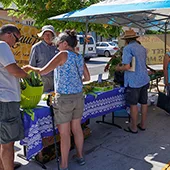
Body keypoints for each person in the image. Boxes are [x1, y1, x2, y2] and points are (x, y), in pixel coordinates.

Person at [23, 30, 90, 170]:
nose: (57, 45)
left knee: (65, 134)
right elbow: (88, 78)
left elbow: (43, 71)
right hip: (78, 96)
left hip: (64, 99)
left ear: (65, 44)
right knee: (77, 129)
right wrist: (75, 82)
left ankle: (64, 165)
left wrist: (29, 67)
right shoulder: (79, 57)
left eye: (58, 43)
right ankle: (80, 156)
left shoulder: (63, 54)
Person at [0, 24, 29, 170]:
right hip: (7, 100)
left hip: (2, 99)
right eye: (16, 40)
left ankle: (4, 166)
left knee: (2, 139)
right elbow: (13, 70)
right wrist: (27, 75)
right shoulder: (2, 45)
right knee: (8, 142)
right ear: (10, 34)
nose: (15, 44)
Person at [115, 29, 150, 133]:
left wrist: (118, 68)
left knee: (133, 104)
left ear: (126, 40)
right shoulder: (142, 48)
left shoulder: (127, 48)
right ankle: (143, 124)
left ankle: (133, 127)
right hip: (144, 78)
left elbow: (127, 66)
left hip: (133, 81)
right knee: (144, 103)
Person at [29, 25, 58, 92]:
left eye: (49, 34)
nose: (47, 36)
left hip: (55, 78)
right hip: (42, 78)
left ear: (53, 35)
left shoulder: (57, 47)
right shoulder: (36, 47)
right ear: (42, 35)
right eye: (45, 34)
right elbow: (32, 65)